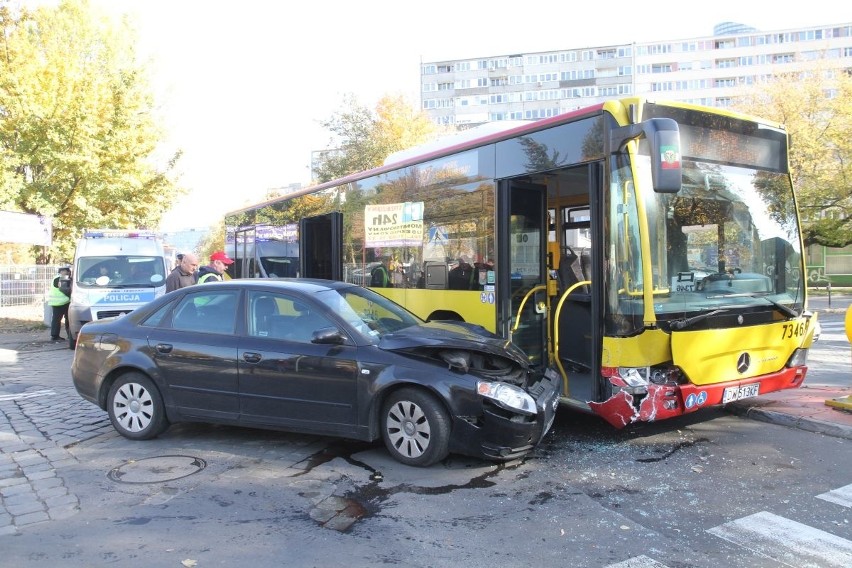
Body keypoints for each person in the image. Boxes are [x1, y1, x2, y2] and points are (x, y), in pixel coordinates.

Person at [48, 266, 72, 341]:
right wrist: (72, 295)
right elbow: (65, 290)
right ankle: (68, 335)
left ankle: (55, 335)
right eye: (68, 271)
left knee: (56, 319)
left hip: (56, 302)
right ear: (63, 271)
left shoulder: (56, 277)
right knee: (68, 319)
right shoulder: (62, 278)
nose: (69, 273)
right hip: (63, 302)